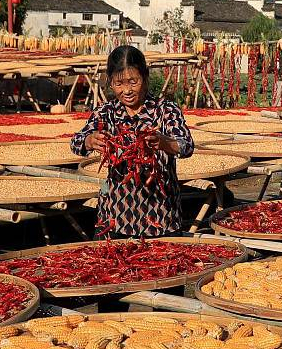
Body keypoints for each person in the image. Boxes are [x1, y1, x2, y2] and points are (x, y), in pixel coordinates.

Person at [70, 45, 194, 238]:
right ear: (110, 83)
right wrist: (89, 141)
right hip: (116, 216)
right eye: (119, 84)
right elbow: (75, 143)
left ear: (145, 78)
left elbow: (186, 145)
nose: (126, 90)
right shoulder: (106, 112)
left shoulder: (165, 110)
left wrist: (164, 142)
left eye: (133, 82)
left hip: (159, 217)